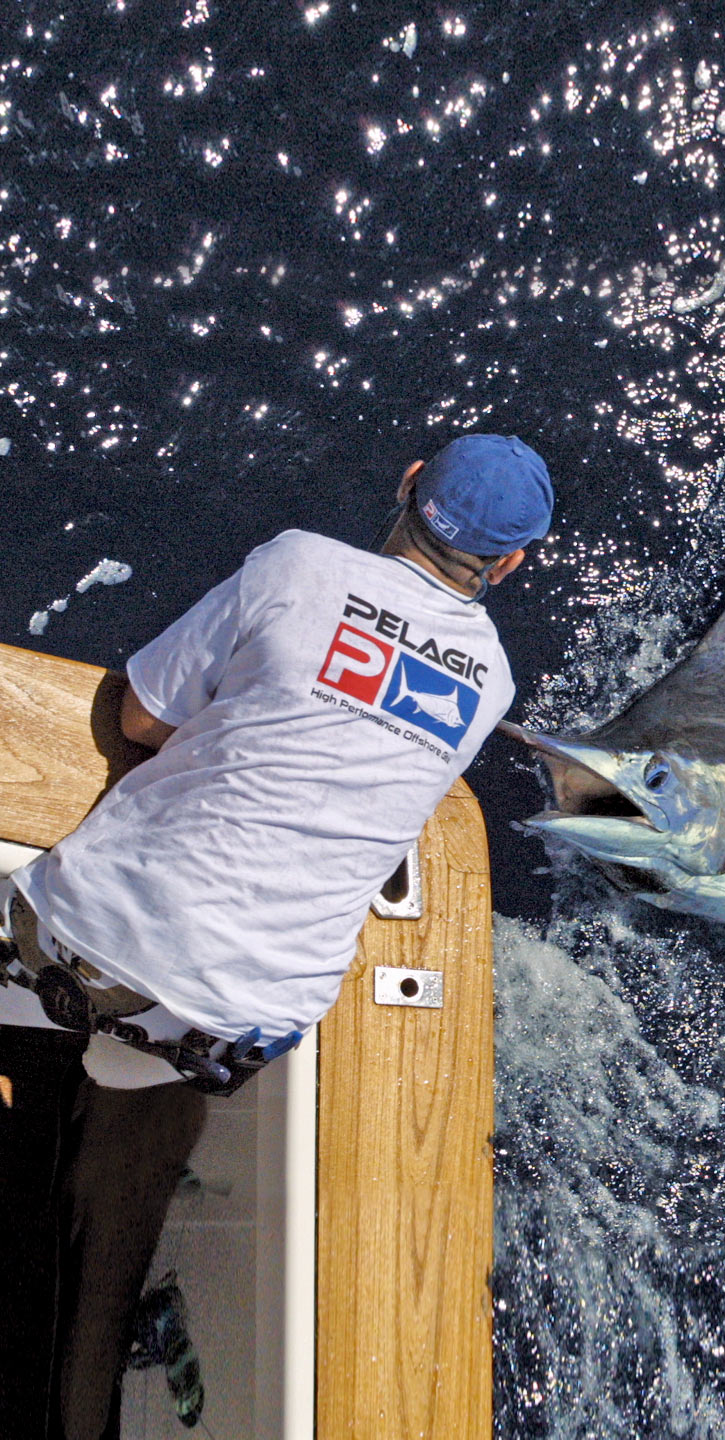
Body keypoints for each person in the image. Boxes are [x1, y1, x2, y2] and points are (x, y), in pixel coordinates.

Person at [0, 432, 552, 1438]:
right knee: (131, 1097)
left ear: (409, 484)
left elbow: (138, 719)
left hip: (76, 936)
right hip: (228, 1022)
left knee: (45, 979)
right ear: (512, 563)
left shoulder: (299, 562)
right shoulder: (494, 685)